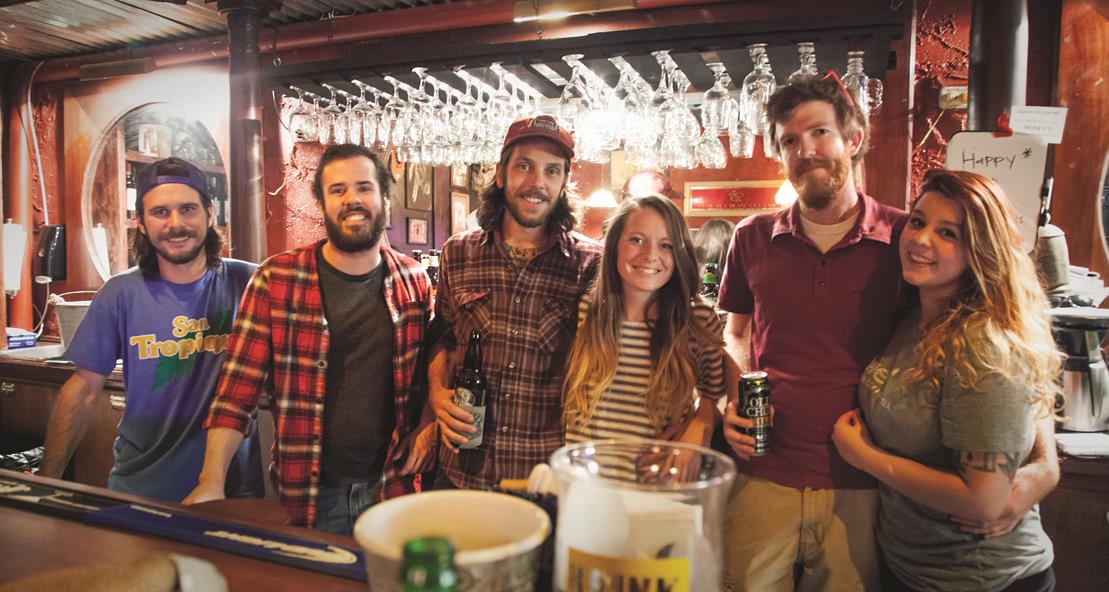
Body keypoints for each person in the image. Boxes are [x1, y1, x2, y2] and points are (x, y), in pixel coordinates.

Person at [717, 74, 1059, 591]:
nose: (805, 150)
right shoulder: (751, 237)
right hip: (765, 470)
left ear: (853, 140)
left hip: (868, 488)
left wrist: (1043, 468)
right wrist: (733, 399)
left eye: (819, 133)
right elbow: (735, 332)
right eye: (789, 140)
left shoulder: (908, 238)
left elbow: (1006, 342)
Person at [185, 144, 436, 534]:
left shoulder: (414, 281)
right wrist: (211, 480)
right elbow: (236, 391)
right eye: (337, 190)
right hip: (310, 494)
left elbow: (430, 372)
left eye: (364, 188)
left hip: (393, 487)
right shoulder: (277, 279)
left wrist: (427, 423)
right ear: (322, 203)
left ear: (385, 198)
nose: (352, 199)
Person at [831, 170, 1059, 592]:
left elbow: (984, 501)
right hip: (912, 566)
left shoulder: (980, 344)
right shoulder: (918, 315)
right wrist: (1048, 466)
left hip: (980, 577)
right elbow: (1033, 404)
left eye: (948, 233)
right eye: (918, 222)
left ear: (980, 251)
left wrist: (864, 456)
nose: (921, 239)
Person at [39, 157, 259, 503]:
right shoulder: (120, 293)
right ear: (139, 221)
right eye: (160, 212)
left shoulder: (250, 282)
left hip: (233, 493)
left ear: (210, 213)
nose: (176, 224)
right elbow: (82, 389)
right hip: (142, 489)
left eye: (188, 209)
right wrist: (46, 483)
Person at [429, 115, 602, 489]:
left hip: (540, 480)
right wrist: (436, 392)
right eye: (525, 166)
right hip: (461, 470)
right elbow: (442, 336)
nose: (537, 182)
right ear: (501, 174)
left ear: (563, 183)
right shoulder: (458, 252)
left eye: (552, 171)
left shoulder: (591, 265)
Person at [563, 194, 726, 476]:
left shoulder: (696, 319)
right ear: (614, 245)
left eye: (666, 245)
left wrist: (700, 426)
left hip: (659, 491)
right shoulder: (584, 312)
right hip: (586, 492)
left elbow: (716, 397)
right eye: (637, 240)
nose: (650, 255)